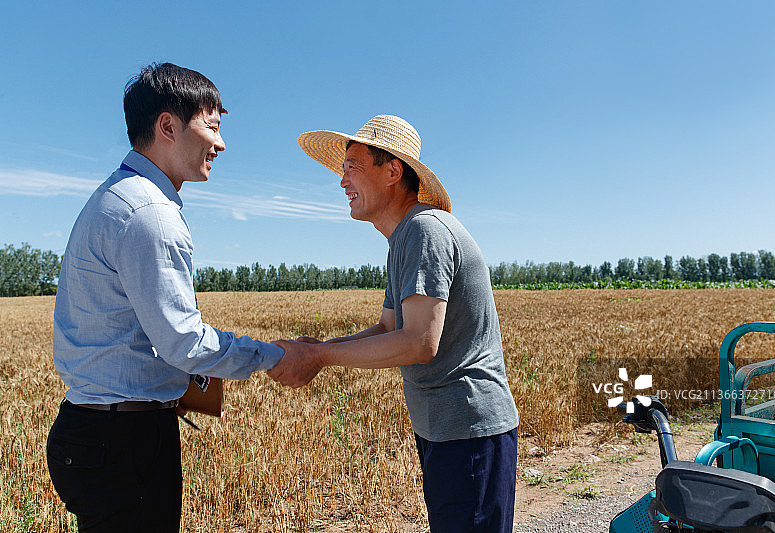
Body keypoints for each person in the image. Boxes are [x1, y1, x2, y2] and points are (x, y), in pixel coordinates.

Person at [47, 62, 284, 533]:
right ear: (168, 126)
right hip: (122, 443)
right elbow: (184, 344)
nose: (220, 144)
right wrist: (277, 356)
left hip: (97, 433)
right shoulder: (149, 213)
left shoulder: (117, 197)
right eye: (212, 127)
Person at [270, 115, 519, 532]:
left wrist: (319, 356)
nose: (342, 181)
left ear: (392, 171)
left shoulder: (425, 230)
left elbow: (420, 342)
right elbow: (389, 328)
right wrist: (320, 347)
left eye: (352, 166)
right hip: (443, 428)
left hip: (469, 430)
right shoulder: (403, 237)